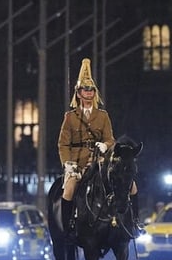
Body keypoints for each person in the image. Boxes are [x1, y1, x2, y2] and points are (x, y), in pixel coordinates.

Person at [58, 58, 140, 237]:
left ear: (94, 93)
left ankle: (135, 222)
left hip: (100, 160)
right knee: (69, 189)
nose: (88, 93)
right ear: (78, 93)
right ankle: (67, 226)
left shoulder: (103, 116)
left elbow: (110, 138)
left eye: (91, 90)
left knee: (131, 185)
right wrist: (68, 164)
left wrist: (106, 145)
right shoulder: (70, 117)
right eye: (84, 90)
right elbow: (63, 143)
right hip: (77, 162)